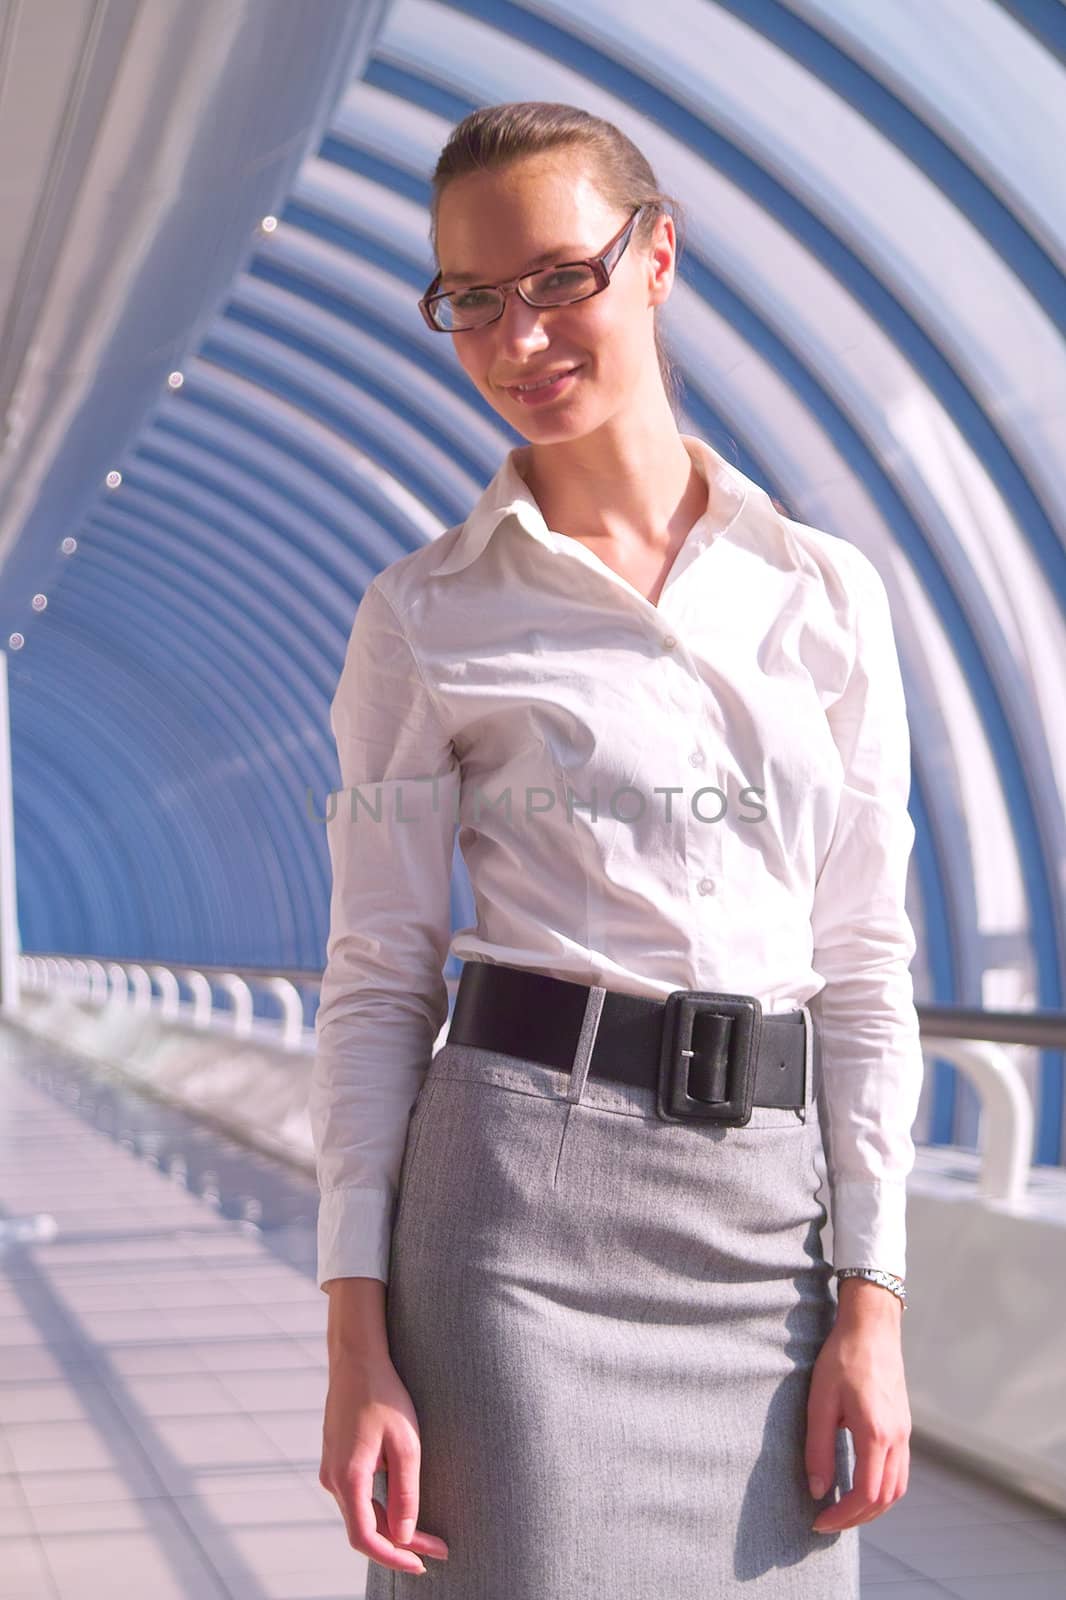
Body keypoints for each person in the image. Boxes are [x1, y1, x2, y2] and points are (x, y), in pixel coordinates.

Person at [312, 101, 923, 1598]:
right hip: (518, 1220)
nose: (516, 338)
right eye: (471, 301)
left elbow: (861, 965)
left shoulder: (825, 595)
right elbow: (380, 979)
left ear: (657, 257)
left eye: (557, 279)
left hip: (766, 1233)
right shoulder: (422, 616)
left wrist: (872, 1304)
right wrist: (355, 1344)